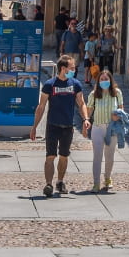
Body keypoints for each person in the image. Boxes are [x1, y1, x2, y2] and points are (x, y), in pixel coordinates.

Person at [30, 56, 90, 196]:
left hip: (68, 126)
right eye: (72, 68)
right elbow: (41, 106)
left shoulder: (75, 84)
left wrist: (85, 118)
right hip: (53, 125)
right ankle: (49, 184)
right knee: (50, 156)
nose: (74, 70)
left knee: (64, 156)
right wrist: (34, 127)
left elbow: (81, 103)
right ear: (63, 68)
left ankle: (60, 181)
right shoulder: (50, 84)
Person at [88, 68, 124, 192]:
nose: (104, 81)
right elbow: (89, 110)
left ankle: (107, 178)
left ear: (110, 80)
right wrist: (86, 121)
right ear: (98, 81)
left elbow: (121, 109)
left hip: (111, 129)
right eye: (102, 79)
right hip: (97, 127)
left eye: (106, 79)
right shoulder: (93, 94)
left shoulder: (117, 93)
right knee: (97, 156)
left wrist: (118, 115)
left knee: (109, 156)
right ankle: (96, 183)